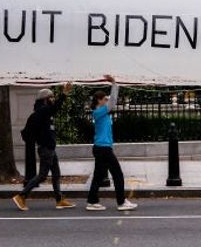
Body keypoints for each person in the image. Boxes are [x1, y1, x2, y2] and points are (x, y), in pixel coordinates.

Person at [13, 83, 76, 211]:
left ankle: (59, 200)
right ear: (45, 99)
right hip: (46, 149)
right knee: (42, 175)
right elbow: (56, 107)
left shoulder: (46, 113)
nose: (53, 99)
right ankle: (21, 196)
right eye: (51, 97)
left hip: (50, 149)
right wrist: (64, 94)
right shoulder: (42, 111)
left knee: (56, 174)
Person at [86, 75, 136, 211]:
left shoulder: (101, 112)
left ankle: (92, 201)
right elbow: (113, 100)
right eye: (105, 99)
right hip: (103, 149)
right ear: (99, 100)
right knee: (118, 174)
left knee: (98, 176)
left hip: (101, 148)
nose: (107, 101)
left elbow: (111, 102)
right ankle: (121, 202)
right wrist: (114, 83)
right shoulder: (99, 112)